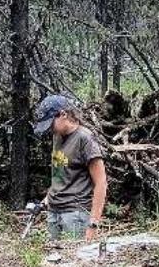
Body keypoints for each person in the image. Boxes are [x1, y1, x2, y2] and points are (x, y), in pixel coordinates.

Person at [33, 93, 107, 240]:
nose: (50, 129)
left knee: (73, 260)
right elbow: (60, 175)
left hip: (75, 215)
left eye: (50, 123)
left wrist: (93, 223)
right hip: (54, 212)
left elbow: (101, 183)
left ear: (63, 114)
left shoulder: (85, 139)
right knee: (54, 258)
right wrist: (46, 199)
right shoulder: (57, 137)